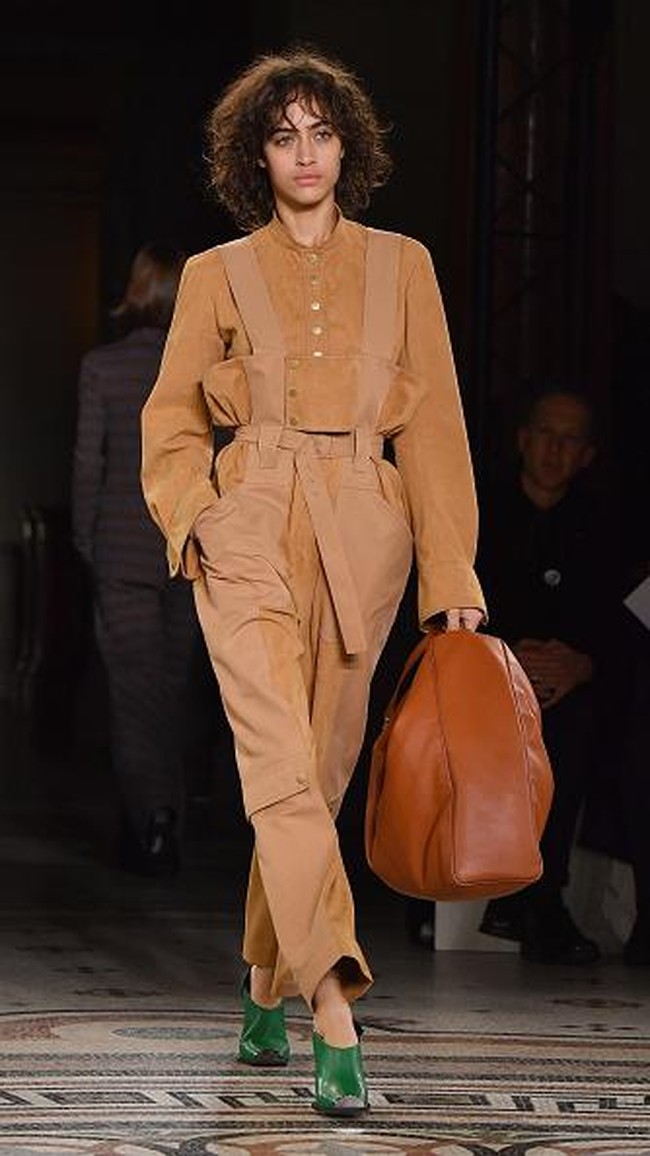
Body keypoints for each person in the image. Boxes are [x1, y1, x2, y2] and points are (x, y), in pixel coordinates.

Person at [140, 47, 485, 1117]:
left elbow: (433, 431)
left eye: (320, 132)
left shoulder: (405, 265)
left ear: (348, 145)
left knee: (319, 775)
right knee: (279, 764)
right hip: (246, 518)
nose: (303, 152)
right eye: (282, 134)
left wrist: (450, 571)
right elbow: (169, 422)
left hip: (364, 531)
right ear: (256, 153)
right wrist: (194, 519)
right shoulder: (214, 273)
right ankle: (332, 1004)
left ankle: (259, 986)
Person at [72, 241, 205, 877]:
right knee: (169, 689)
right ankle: (152, 820)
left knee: (134, 691)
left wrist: (85, 540)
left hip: (122, 546)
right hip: (189, 547)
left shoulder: (103, 367)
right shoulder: (209, 374)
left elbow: (87, 464)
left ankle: (154, 818)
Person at [477, 386, 612, 964]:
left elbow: (619, 619)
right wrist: (503, 658)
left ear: (587, 454)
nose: (555, 451)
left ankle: (543, 895)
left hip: (567, 688)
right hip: (484, 677)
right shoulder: (482, 511)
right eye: (546, 435)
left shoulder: (606, 524)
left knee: (581, 728)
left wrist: (584, 664)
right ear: (523, 440)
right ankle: (497, 890)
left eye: (571, 439)